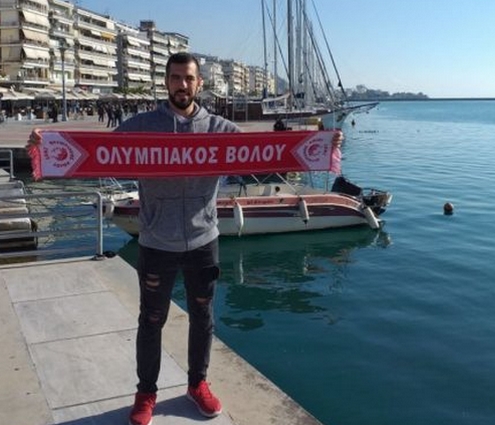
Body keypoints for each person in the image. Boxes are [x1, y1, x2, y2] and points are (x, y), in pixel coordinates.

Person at [114, 51, 343, 425]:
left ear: (199, 83)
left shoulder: (219, 129)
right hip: (156, 241)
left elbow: (268, 154)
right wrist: (44, 145)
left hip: (203, 239)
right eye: (175, 77)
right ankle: (146, 394)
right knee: (151, 320)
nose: (182, 85)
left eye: (189, 78)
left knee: (203, 316)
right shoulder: (141, 126)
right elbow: (96, 153)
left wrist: (324, 144)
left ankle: (197, 385)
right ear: (166, 82)